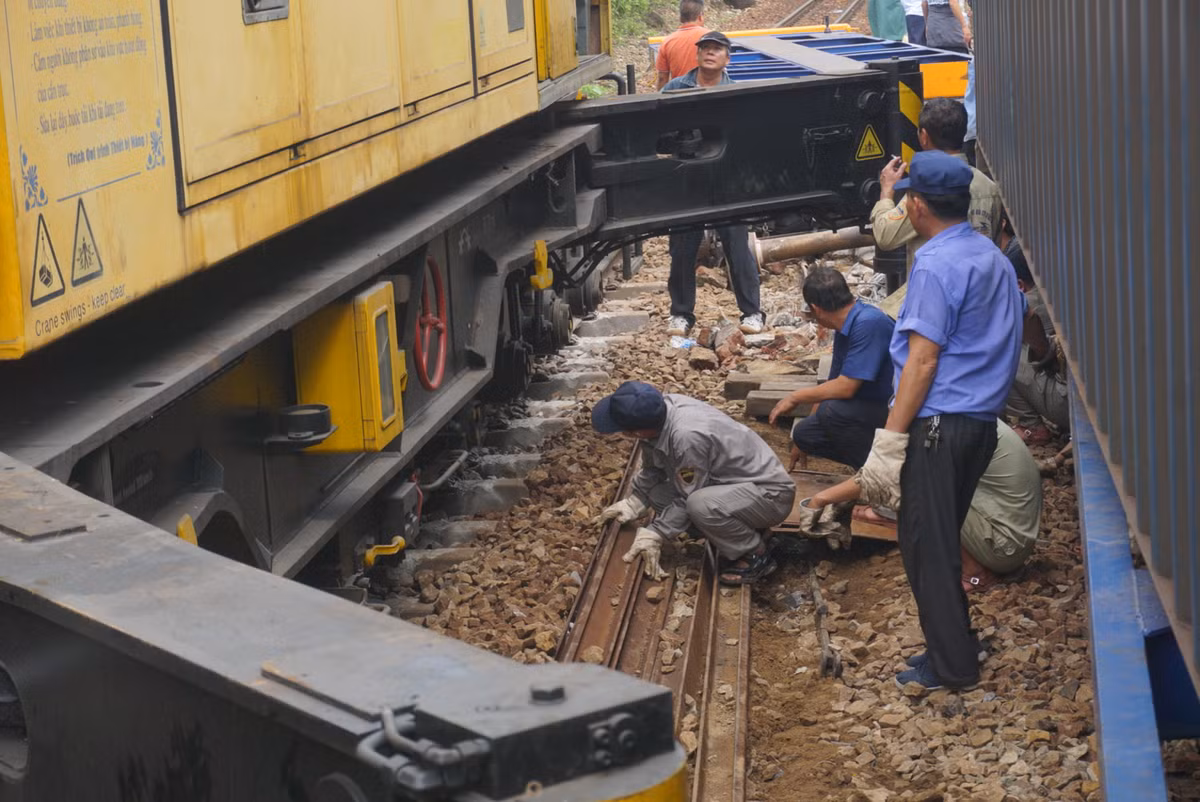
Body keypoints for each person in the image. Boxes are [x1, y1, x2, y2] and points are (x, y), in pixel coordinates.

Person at [856, 151, 1024, 692]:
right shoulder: (991, 256)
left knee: (927, 545)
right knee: (942, 537)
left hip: (938, 424)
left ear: (918, 204)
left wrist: (890, 438)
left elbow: (923, 360)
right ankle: (954, 645)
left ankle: (953, 667)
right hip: (978, 423)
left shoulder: (933, 263)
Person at [798, 420, 1042, 594]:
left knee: (922, 488)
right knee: (924, 479)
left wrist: (821, 499)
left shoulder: (946, 428)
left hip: (1003, 546)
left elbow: (886, 475)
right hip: (1009, 531)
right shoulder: (969, 416)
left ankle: (975, 573)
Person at [593, 381, 796, 585]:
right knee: (657, 495)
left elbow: (687, 496)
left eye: (626, 431)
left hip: (770, 495)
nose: (624, 434)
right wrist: (636, 500)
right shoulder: (662, 409)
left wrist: (657, 532)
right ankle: (737, 529)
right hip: (735, 487)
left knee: (698, 504)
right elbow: (653, 464)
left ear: (639, 432)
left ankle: (755, 554)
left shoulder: (686, 437)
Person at [662, 31, 766, 338]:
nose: (709, 53)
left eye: (716, 49)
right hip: (687, 179)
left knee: (737, 246)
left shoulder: (735, 92)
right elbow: (658, 127)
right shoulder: (675, 88)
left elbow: (747, 139)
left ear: (726, 58)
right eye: (705, 48)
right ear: (697, 55)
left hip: (726, 180)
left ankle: (752, 312)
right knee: (682, 248)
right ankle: (681, 314)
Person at [769, 267, 895, 471]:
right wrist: (803, 433)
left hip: (893, 409)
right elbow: (832, 384)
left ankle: (877, 475)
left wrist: (795, 397)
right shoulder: (845, 327)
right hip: (867, 409)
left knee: (832, 412)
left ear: (815, 308)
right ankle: (867, 465)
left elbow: (845, 388)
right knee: (805, 433)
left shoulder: (869, 323)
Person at [872, 98, 1002, 277]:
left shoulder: (927, 187)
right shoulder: (989, 187)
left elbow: (886, 235)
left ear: (924, 136)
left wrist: (886, 192)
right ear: (963, 132)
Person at [1000, 220, 1068, 443]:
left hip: (1069, 403)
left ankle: (1032, 427)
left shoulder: (1031, 303)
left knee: (1000, 355)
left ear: (1019, 285)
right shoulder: (1061, 288)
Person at [656, 0, 709, 89]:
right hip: (709, 93)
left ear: (680, 18)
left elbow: (662, 78)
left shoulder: (667, 42)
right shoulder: (711, 37)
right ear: (700, 16)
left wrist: (660, 99)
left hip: (679, 94)